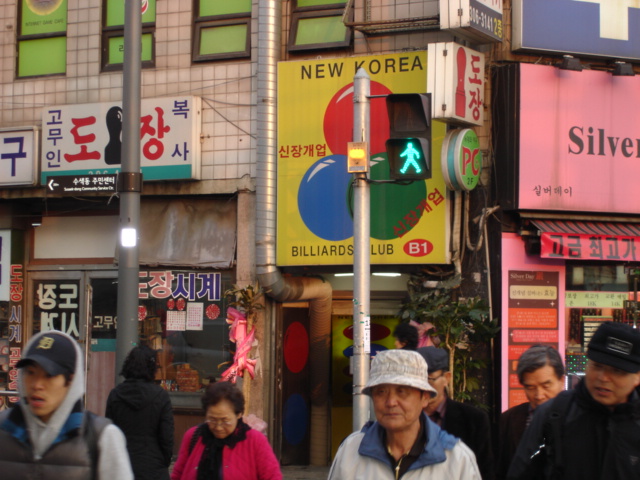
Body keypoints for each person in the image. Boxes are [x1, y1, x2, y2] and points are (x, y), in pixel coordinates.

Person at [507, 321, 640, 480]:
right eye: (597, 366)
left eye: (617, 371)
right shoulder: (554, 414)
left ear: (637, 376)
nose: (603, 378)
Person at [0, 330, 133, 479]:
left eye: (49, 375)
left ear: (70, 380)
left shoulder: (102, 437)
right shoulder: (3, 429)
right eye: (30, 372)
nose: (37, 385)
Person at [328, 349, 481, 479]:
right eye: (381, 392)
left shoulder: (456, 458)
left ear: (425, 398)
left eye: (402, 392)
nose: (391, 402)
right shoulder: (351, 450)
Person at [171, 380, 281, 480]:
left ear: (239, 414)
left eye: (225, 421)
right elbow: (178, 474)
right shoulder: (193, 436)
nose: (218, 427)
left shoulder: (255, 441)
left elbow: (272, 476)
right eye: (212, 420)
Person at [417, 346, 494, 480]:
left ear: (447, 378)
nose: (424, 387)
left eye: (429, 379)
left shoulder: (474, 420)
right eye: (418, 381)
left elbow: (485, 470)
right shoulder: (402, 418)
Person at [496, 344, 564, 480]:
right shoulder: (508, 421)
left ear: (561, 381)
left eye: (546, 386)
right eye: (530, 387)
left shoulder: (578, 418)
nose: (539, 395)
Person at [106, 345, 174, 480]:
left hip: (122, 465)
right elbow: (167, 436)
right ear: (152, 367)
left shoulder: (115, 395)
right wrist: (163, 461)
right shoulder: (161, 396)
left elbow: (109, 433)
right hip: (153, 466)